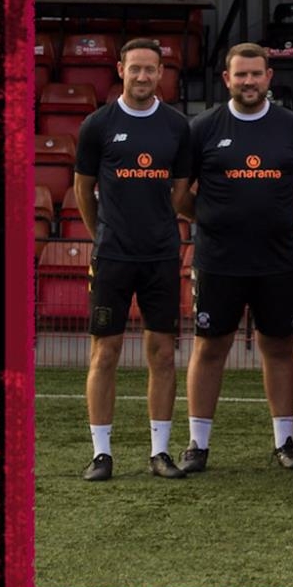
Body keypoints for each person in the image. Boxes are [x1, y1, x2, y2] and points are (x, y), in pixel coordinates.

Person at [173, 42, 293, 474]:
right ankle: (198, 444)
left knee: (279, 346)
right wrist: (214, 217)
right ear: (227, 79)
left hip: (277, 258)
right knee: (209, 346)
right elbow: (180, 195)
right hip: (218, 260)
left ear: (269, 77)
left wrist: (272, 215)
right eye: (241, 74)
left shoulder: (291, 127)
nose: (249, 81)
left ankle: (285, 441)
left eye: (256, 74)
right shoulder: (203, 127)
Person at [73, 38, 192, 481]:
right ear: (120, 69)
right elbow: (83, 189)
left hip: (161, 256)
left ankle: (160, 452)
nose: (143, 76)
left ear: (161, 73)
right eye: (135, 68)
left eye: (150, 69)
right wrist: (103, 235)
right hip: (113, 257)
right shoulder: (97, 125)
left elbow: (180, 191)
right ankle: (101, 454)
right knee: (105, 353)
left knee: (162, 354)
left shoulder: (177, 126)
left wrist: (157, 226)